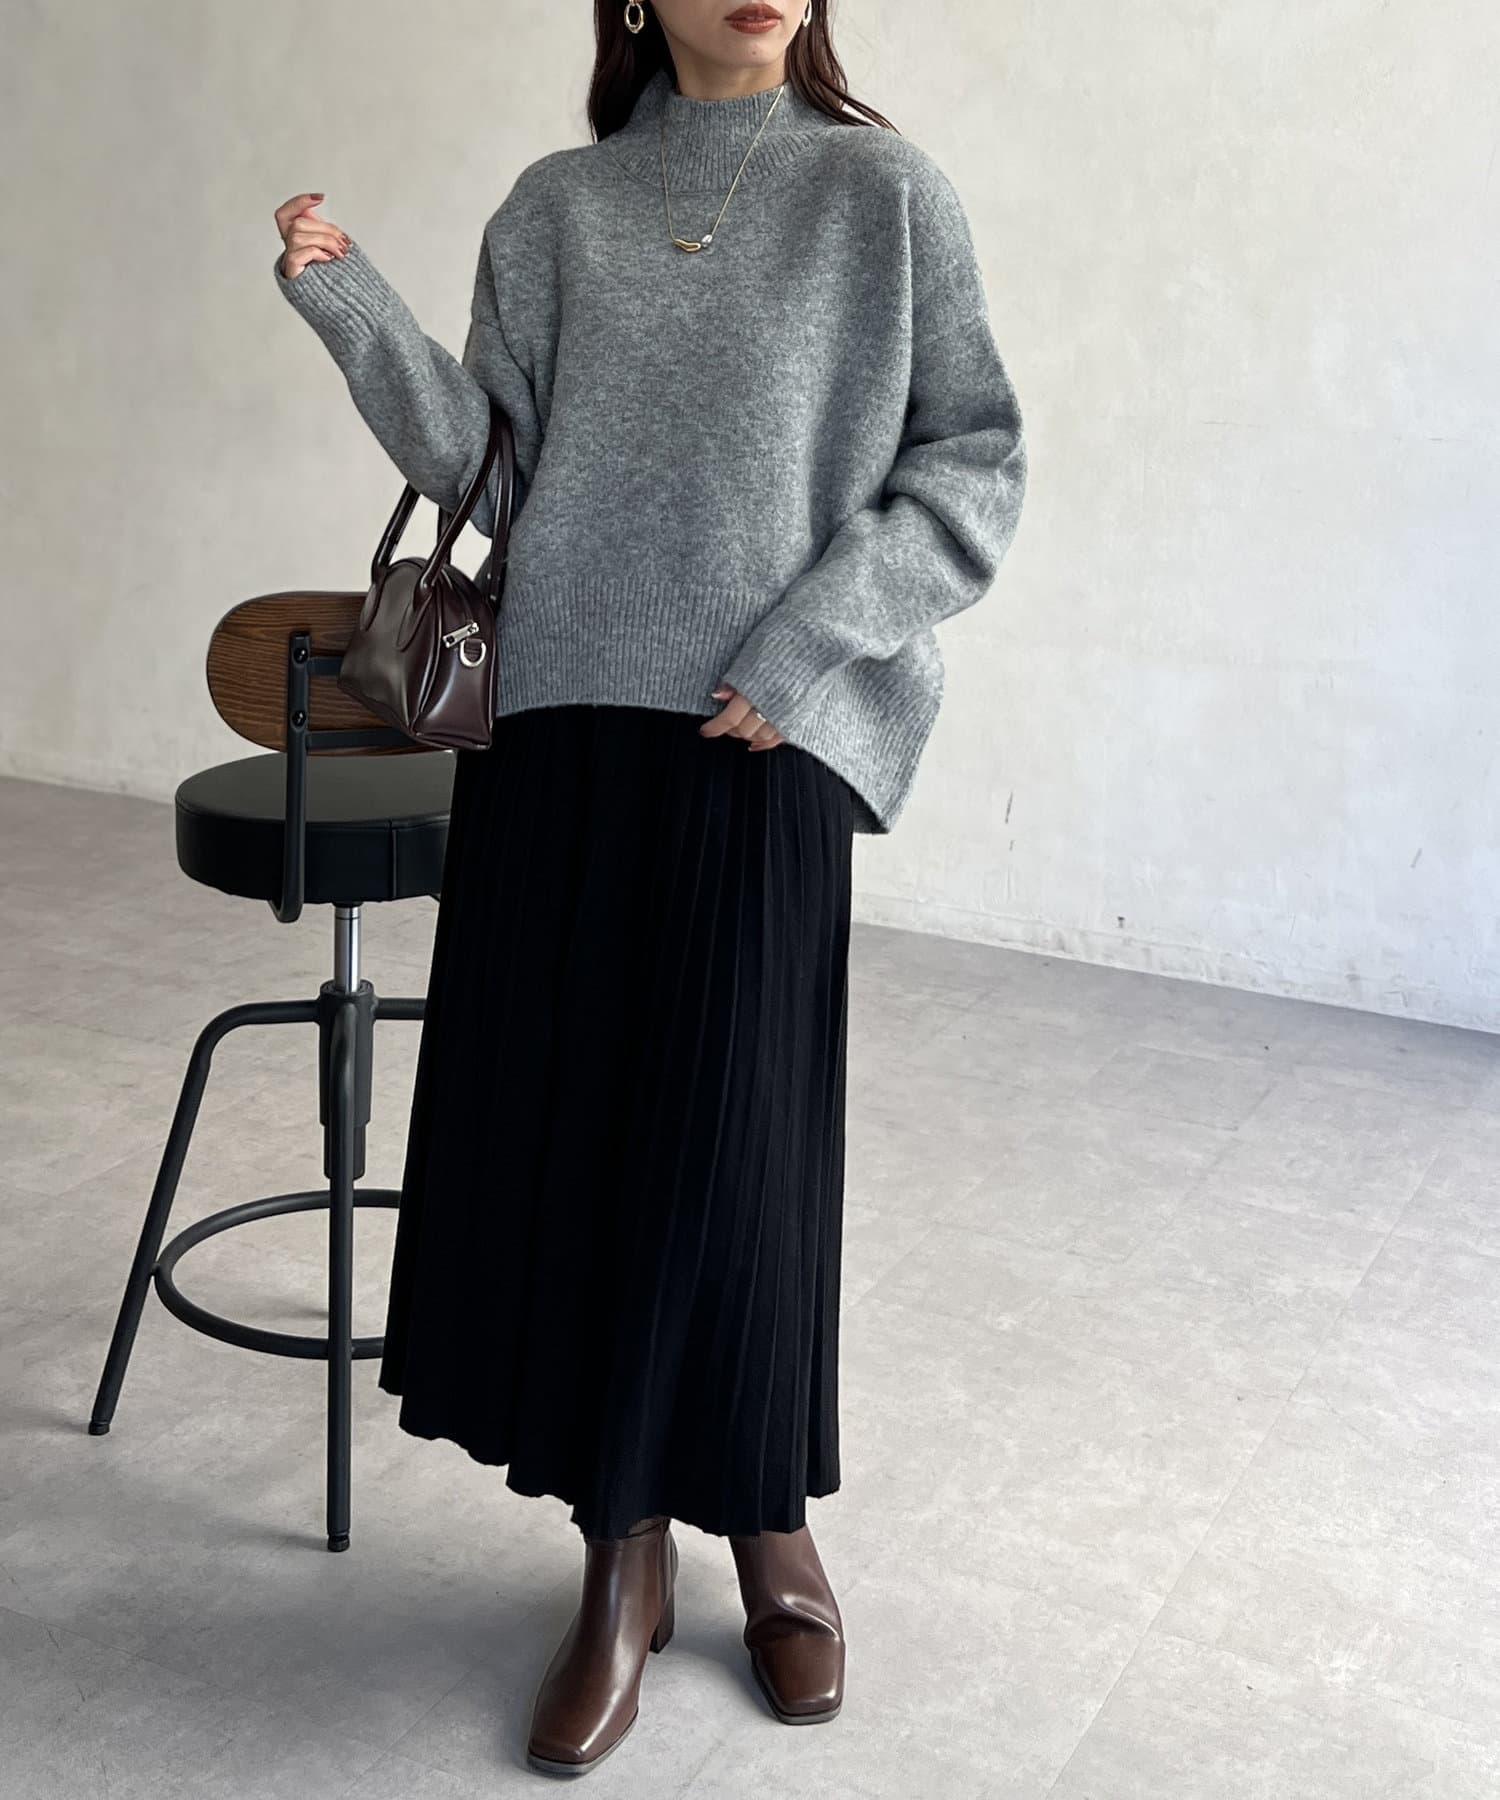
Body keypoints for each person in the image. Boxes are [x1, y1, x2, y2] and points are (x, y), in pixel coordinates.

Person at [272, 0, 1026, 1778]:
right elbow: (487, 467)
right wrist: (348, 298)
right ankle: (620, 1554)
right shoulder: (558, 206)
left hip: (762, 732)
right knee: (585, 1146)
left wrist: (811, 642)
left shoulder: (885, 196)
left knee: (741, 1152)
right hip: (558, 730)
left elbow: (971, 460)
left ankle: (768, 1521)